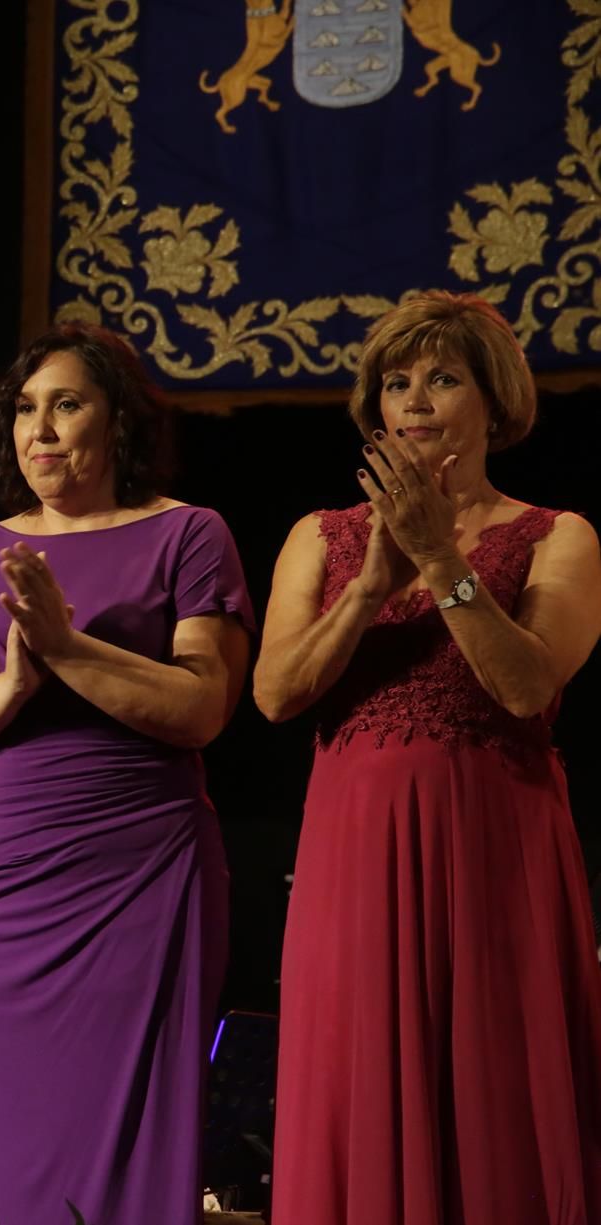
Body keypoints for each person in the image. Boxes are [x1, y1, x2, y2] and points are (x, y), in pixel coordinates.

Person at [256, 291, 601, 1223]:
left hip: (495, 854)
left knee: (495, 1095)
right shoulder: (316, 537)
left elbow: (527, 687)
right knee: (353, 1080)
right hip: (354, 855)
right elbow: (275, 693)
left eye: (442, 379)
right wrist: (370, 584)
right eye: (395, 383)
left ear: (493, 403)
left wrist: (441, 567)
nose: (412, 401)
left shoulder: (557, 535)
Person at [0, 325, 253, 1224]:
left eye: (66, 404)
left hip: (140, 879)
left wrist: (65, 647)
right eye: (24, 409)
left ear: (119, 423)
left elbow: (202, 706)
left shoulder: (188, 534)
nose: (40, 429)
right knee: (2, 1164)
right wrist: (19, 679)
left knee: (138, 1155)